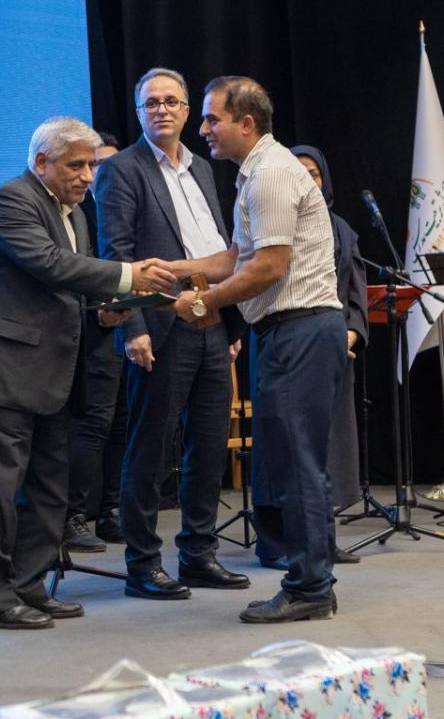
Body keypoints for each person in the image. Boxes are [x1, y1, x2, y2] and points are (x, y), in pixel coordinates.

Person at [0, 117, 176, 630]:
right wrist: (129, 275)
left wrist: (105, 313)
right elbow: (51, 265)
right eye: (76, 165)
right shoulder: (11, 200)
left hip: (54, 375)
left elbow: (67, 292)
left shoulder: (74, 214)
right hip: (3, 373)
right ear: (41, 162)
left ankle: (29, 588)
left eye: (92, 166)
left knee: (49, 491)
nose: (87, 176)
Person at [164, 77, 345, 624]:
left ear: (246, 123)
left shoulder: (269, 174)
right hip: (291, 331)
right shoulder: (258, 172)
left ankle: (310, 587)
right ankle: (314, 582)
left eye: (211, 118)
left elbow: (268, 268)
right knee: (295, 462)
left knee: (297, 465)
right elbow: (238, 257)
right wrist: (173, 270)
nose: (202, 128)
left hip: (299, 330)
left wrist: (203, 303)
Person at [94, 69, 251, 600]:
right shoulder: (121, 169)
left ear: (187, 111)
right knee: (151, 450)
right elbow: (116, 253)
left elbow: (221, 247)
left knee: (207, 447)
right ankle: (142, 563)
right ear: (138, 113)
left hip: (211, 320)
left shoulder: (202, 167)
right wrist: (133, 326)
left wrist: (229, 322)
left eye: (171, 101)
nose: (161, 110)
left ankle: (198, 555)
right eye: (150, 103)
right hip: (159, 327)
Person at [290, 146, 370, 538]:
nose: (308, 180)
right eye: (299, 173)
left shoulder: (342, 230)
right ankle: (291, 535)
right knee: (296, 442)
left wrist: (349, 333)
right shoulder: (279, 222)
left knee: (332, 441)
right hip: (291, 346)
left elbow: (356, 294)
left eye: (314, 173)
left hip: (336, 346)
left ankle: (324, 534)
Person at [65, 131, 131, 553]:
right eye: (94, 165)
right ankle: (73, 515)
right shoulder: (77, 211)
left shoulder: (124, 206)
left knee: (123, 422)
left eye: (108, 165)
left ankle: (112, 510)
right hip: (93, 334)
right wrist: (101, 308)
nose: (99, 174)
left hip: (129, 327)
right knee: (96, 424)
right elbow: (76, 271)